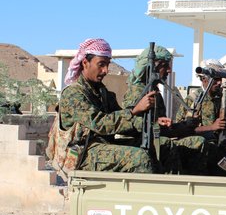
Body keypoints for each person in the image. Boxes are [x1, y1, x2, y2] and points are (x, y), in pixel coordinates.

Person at [58, 38, 155, 173]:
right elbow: (100, 124)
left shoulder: (102, 92)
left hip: (102, 147)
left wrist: (152, 124)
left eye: (108, 65)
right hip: (82, 153)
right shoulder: (73, 93)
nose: (105, 70)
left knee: (155, 144)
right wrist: (133, 110)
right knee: (139, 157)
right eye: (101, 65)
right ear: (85, 63)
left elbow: (120, 122)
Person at [122, 45, 211, 175]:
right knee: (168, 145)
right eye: (165, 66)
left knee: (199, 141)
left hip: (158, 137)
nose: (169, 70)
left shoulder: (155, 91)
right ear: (153, 67)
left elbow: (164, 128)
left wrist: (186, 125)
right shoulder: (138, 91)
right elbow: (130, 125)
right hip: (141, 143)